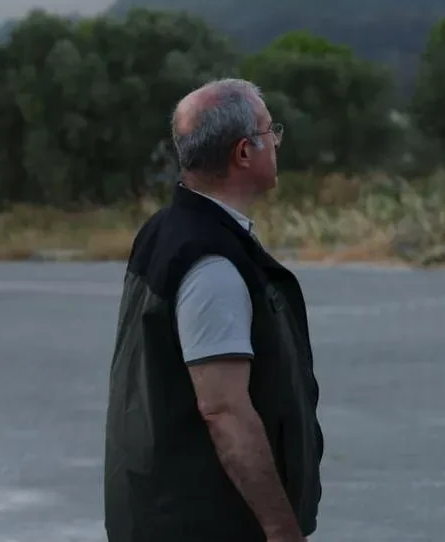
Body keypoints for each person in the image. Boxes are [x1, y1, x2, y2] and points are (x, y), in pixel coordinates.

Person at [104, 78, 324, 542]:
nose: (278, 141)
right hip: (207, 521)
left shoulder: (166, 231)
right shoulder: (212, 263)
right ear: (244, 152)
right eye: (270, 131)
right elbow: (224, 411)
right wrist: (283, 531)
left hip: (163, 512)